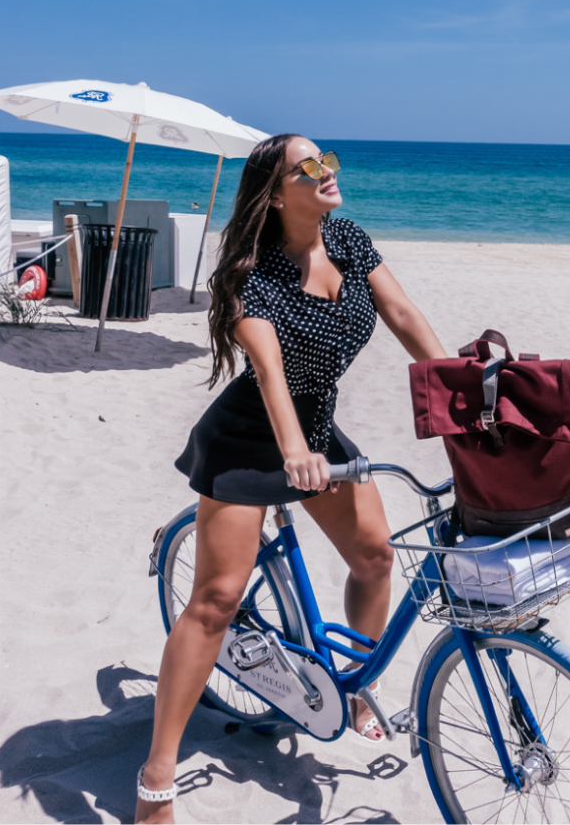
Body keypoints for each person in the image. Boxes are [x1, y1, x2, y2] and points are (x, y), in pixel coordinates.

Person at [135, 134, 448, 824]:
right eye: (307, 167)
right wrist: (293, 454)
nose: (325, 171)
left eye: (328, 159)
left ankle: (354, 687)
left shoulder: (350, 241)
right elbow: (271, 376)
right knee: (216, 599)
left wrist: (454, 391)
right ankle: (156, 774)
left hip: (316, 427)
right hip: (251, 439)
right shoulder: (255, 275)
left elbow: (401, 314)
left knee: (375, 557)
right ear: (277, 193)